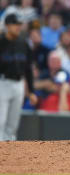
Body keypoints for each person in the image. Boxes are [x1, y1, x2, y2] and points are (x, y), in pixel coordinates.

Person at [0, 13, 37, 141]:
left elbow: (28, 69)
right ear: (7, 25)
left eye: (19, 24)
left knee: (13, 123)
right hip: (2, 83)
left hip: (19, 84)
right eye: (15, 24)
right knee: (0, 121)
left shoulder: (23, 43)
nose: (18, 27)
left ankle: (10, 153)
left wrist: (31, 91)